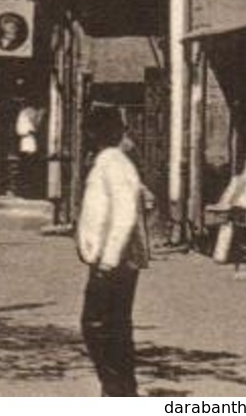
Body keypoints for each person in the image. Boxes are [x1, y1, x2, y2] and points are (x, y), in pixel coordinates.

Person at [76, 106, 150, 397]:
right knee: (114, 326)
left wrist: (108, 258)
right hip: (115, 258)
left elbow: (124, 213)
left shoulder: (112, 162)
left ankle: (117, 390)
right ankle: (119, 390)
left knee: (97, 325)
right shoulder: (112, 160)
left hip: (114, 261)